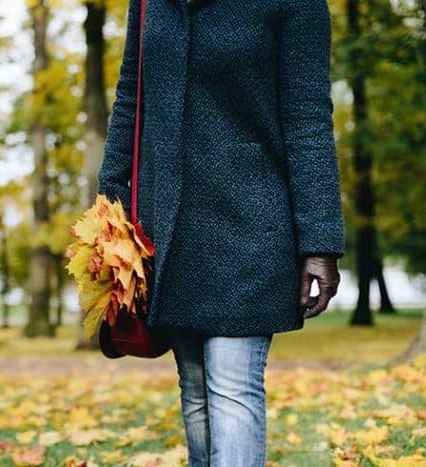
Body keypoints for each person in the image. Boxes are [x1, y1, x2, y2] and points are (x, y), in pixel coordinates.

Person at [96, 0, 345, 465]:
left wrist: (320, 240)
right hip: (166, 224)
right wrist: (109, 201)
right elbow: (131, 94)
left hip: (254, 219)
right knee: (194, 389)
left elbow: (309, 117)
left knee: (232, 385)